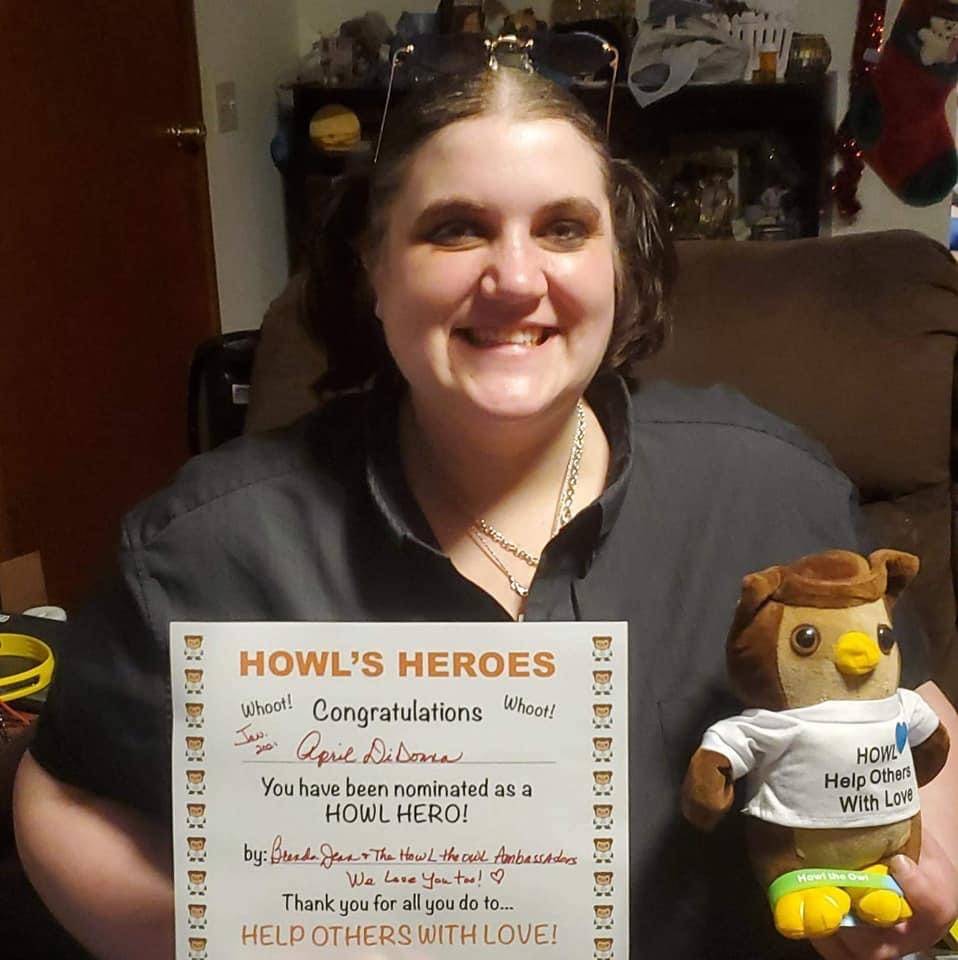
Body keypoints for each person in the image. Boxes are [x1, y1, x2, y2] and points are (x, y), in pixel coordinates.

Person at [14, 65, 958, 960]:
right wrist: (221, 932)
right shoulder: (205, 546)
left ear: (618, 264)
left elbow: (915, 714)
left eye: (563, 229)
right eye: (457, 229)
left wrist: (928, 879)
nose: (515, 279)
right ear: (373, 266)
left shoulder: (770, 488)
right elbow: (65, 794)